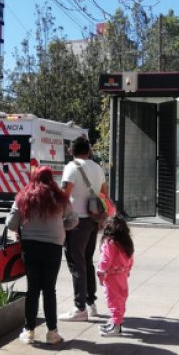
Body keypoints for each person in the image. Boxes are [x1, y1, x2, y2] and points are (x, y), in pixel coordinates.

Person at [6, 166, 78, 345]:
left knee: (33, 289)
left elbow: (11, 223)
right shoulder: (60, 198)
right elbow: (73, 220)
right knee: (49, 289)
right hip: (53, 247)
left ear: (33, 178)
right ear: (51, 179)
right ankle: (52, 332)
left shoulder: (23, 197)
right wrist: (62, 227)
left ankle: (29, 331)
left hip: (30, 247)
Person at [59, 136, 107, 321]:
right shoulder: (97, 167)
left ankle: (80, 309)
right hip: (93, 221)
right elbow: (104, 194)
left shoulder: (71, 168)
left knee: (76, 263)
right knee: (87, 261)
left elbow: (64, 195)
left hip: (76, 223)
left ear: (71, 151)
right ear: (89, 151)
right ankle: (90, 303)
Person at [96, 216, 135, 337]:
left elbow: (105, 260)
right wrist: (127, 271)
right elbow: (130, 259)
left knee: (113, 300)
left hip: (112, 276)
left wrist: (101, 273)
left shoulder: (110, 243)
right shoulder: (126, 243)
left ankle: (116, 326)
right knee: (121, 299)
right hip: (122, 275)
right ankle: (114, 322)